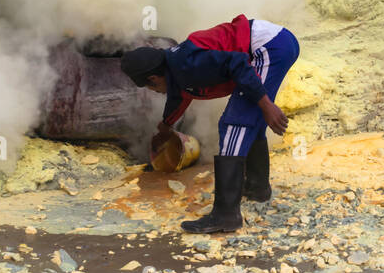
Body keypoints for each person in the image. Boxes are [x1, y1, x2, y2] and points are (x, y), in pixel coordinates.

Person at [120, 15, 298, 233]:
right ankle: (257, 188)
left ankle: (225, 216)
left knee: (235, 124)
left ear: (154, 79)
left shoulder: (188, 63)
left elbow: (238, 64)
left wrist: (266, 105)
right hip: (276, 43)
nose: (157, 92)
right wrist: (166, 126)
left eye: (153, 89)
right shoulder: (176, 68)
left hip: (269, 46)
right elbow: (180, 96)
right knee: (249, 118)